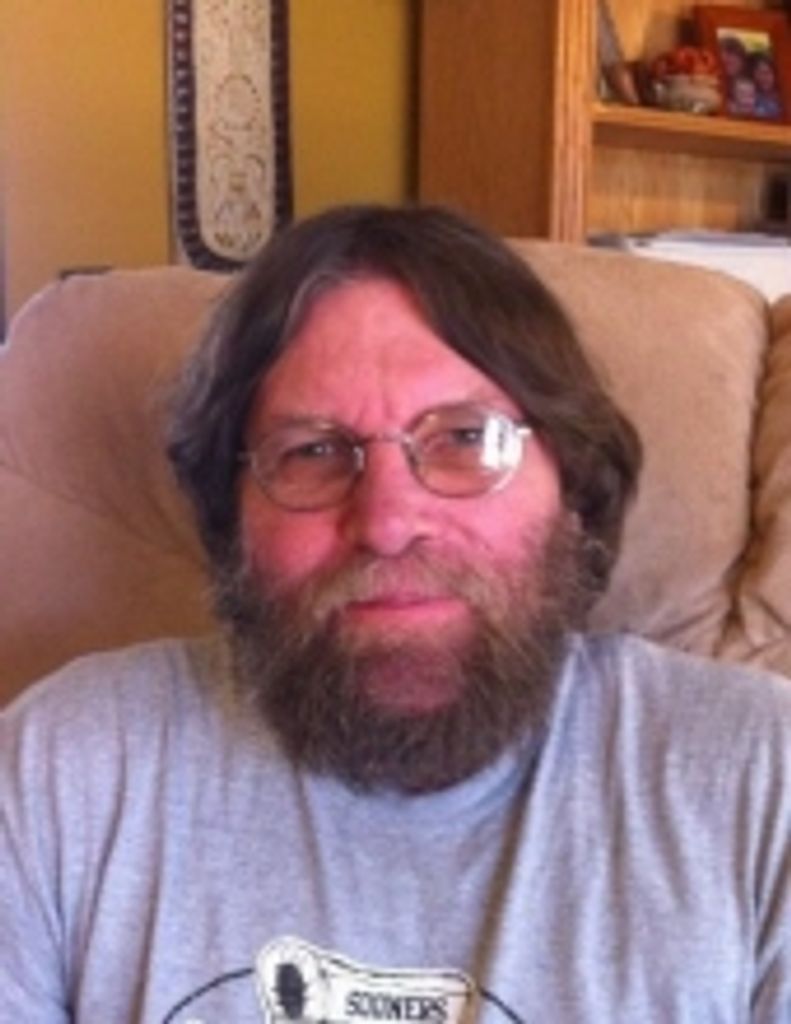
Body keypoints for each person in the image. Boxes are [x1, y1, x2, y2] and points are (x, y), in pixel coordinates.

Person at [1, 204, 789, 1023]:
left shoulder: (760, 778)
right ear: (232, 520)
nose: (385, 522)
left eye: (465, 439)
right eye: (311, 451)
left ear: (572, 489)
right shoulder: (64, 772)